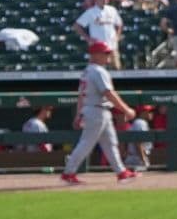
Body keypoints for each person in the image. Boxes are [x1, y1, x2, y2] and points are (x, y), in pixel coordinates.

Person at [57, 55, 138, 184]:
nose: (107, 56)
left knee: (110, 143)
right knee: (86, 144)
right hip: (96, 111)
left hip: (97, 110)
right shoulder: (98, 71)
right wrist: (126, 109)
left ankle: (121, 172)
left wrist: (79, 114)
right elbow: (108, 93)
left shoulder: (87, 71)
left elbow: (81, 96)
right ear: (97, 54)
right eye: (105, 53)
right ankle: (68, 173)